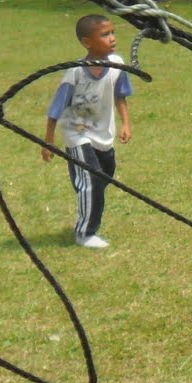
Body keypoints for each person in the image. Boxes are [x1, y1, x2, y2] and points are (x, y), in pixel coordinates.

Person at [40, 14, 133, 249]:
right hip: (77, 133)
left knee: (104, 175)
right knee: (91, 181)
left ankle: (85, 189)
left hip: (103, 133)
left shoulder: (117, 65)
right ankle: (85, 233)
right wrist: (48, 141)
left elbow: (120, 95)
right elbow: (56, 108)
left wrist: (126, 123)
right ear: (87, 42)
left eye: (113, 32)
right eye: (105, 34)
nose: (112, 38)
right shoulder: (76, 72)